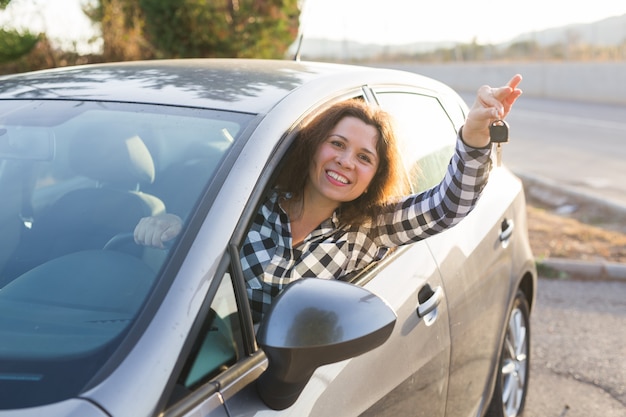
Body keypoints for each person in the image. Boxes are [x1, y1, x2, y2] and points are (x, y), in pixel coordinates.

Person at [135, 74, 523, 321]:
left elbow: (447, 205)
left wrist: (473, 135)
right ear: (313, 147)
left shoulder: (371, 229)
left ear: (375, 176)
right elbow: (201, 230)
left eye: (364, 157)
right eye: (336, 143)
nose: (345, 162)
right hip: (211, 365)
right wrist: (174, 224)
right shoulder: (253, 197)